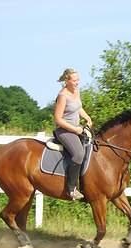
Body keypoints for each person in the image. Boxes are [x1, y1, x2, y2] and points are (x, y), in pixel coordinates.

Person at [53, 68, 93, 200]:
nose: (77, 83)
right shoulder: (62, 96)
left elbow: (78, 107)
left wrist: (87, 117)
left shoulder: (76, 91)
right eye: (75, 80)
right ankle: (71, 189)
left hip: (77, 128)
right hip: (64, 131)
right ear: (67, 81)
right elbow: (58, 119)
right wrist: (75, 130)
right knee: (79, 153)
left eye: (78, 80)